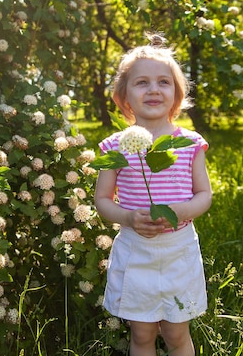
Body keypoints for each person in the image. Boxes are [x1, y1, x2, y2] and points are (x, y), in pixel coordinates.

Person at [94, 33, 213, 356]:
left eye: (163, 82)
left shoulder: (189, 143)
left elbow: (205, 195)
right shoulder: (114, 147)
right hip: (136, 250)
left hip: (178, 250)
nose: (153, 89)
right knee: (142, 334)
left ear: (176, 95)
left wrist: (181, 209)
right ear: (124, 97)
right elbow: (102, 201)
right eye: (142, 82)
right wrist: (128, 218)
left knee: (176, 334)